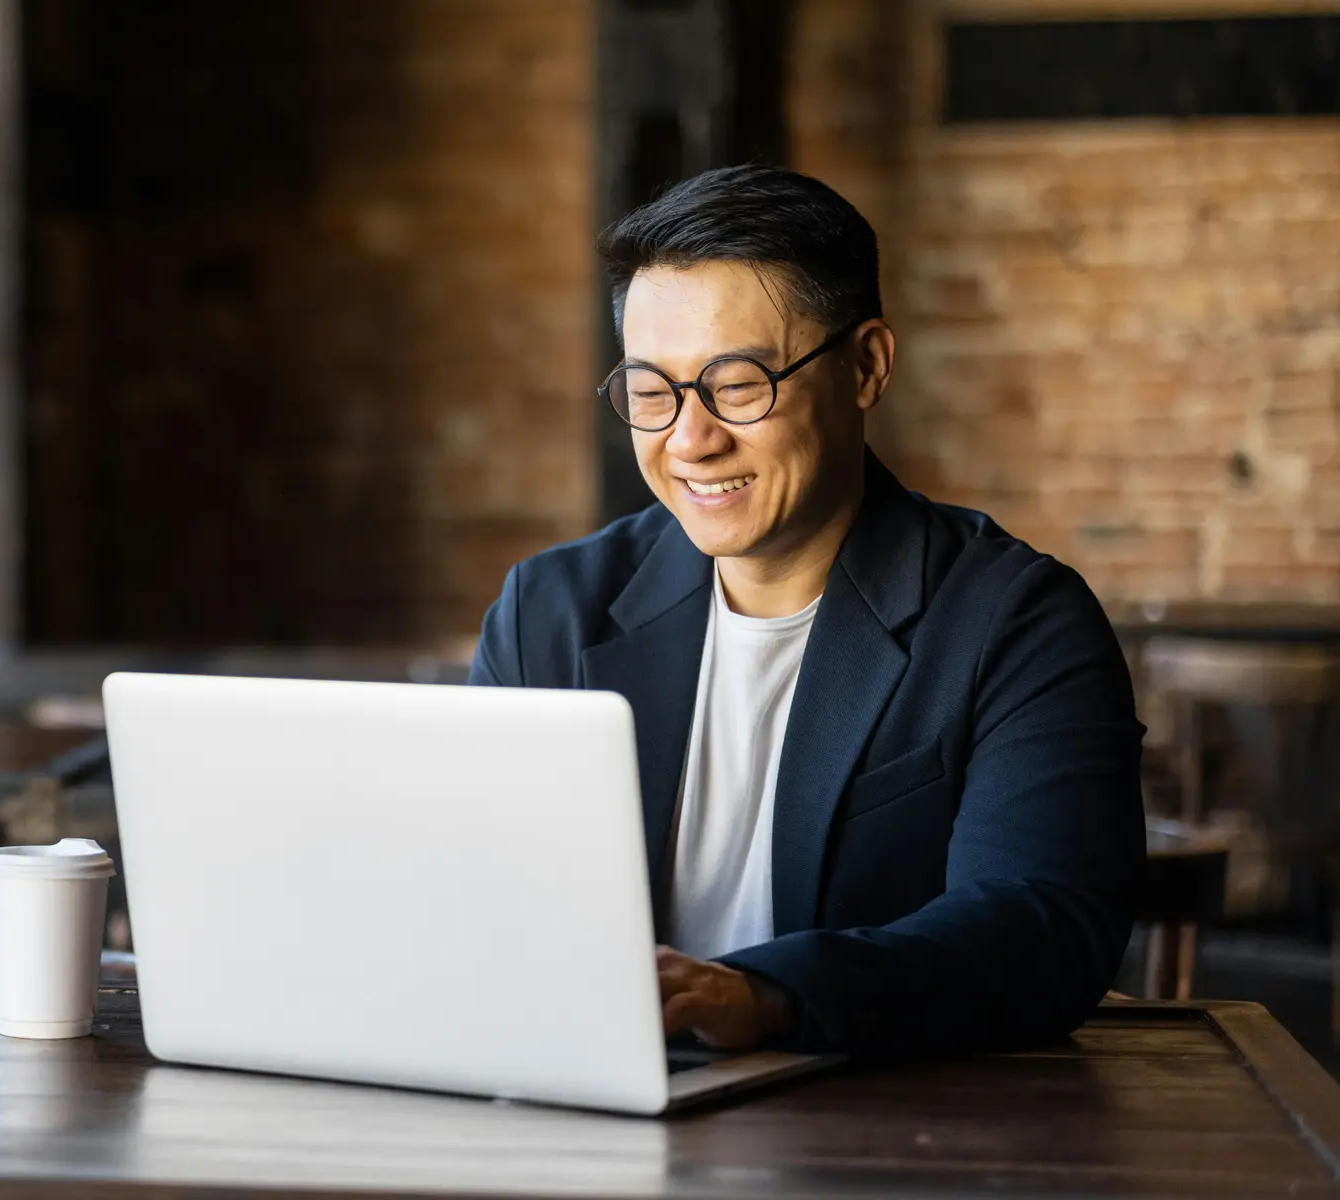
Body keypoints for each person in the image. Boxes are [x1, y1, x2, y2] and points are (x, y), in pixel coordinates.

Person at [470, 165, 1144, 1056]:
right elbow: (470, 897)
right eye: (650, 392)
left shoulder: (1015, 623)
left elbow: (1040, 928)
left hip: (883, 1129)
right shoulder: (550, 612)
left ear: (866, 366)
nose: (689, 439)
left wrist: (763, 998)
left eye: (739, 384)